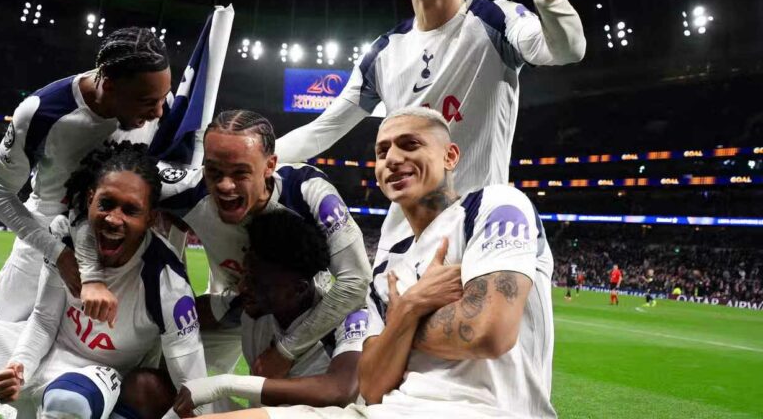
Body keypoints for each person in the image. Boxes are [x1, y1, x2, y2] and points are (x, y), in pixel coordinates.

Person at [274, 0, 586, 256]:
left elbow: (566, 50)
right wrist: (248, 161)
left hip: (475, 241)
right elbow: (322, 131)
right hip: (399, 247)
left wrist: (552, 4)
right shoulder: (383, 52)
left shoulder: (494, 19)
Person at [213, 107, 555, 419]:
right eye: (382, 151)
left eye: (410, 145)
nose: (392, 158)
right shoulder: (386, 269)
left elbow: (488, 332)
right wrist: (411, 307)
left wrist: (398, 326)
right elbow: (373, 385)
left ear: (450, 156)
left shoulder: (494, 206)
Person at [0, 143, 207, 418]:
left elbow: (193, 384)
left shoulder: (167, 283)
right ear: (90, 200)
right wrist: (18, 367)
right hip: (37, 347)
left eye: (130, 210)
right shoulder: (67, 238)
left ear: (150, 218)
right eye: (106, 203)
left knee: (66, 405)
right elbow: (44, 320)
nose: (114, 219)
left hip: (98, 372)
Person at [78, 110, 370, 378]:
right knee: (171, 386)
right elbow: (90, 195)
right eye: (214, 171)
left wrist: (286, 350)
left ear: (270, 166)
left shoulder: (307, 193)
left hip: (301, 311)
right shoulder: (189, 192)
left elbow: (356, 280)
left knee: (320, 399)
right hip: (238, 303)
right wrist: (91, 275)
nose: (224, 186)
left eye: (240, 173)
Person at [0, 27, 170, 323]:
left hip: (114, 262)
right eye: (148, 102)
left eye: (163, 98)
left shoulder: (157, 101)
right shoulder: (42, 111)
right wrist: (57, 252)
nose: (160, 111)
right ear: (108, 86)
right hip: (41, 249)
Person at [174, 210, 364, 414]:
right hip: (256, 414)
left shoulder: (350, 319)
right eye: (244, 275)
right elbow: (200, 312)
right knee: (155, 389)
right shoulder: (251, 306)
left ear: (299, 288)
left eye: (257, 282)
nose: (243, 287)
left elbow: (340, 390)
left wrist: (226, 384)